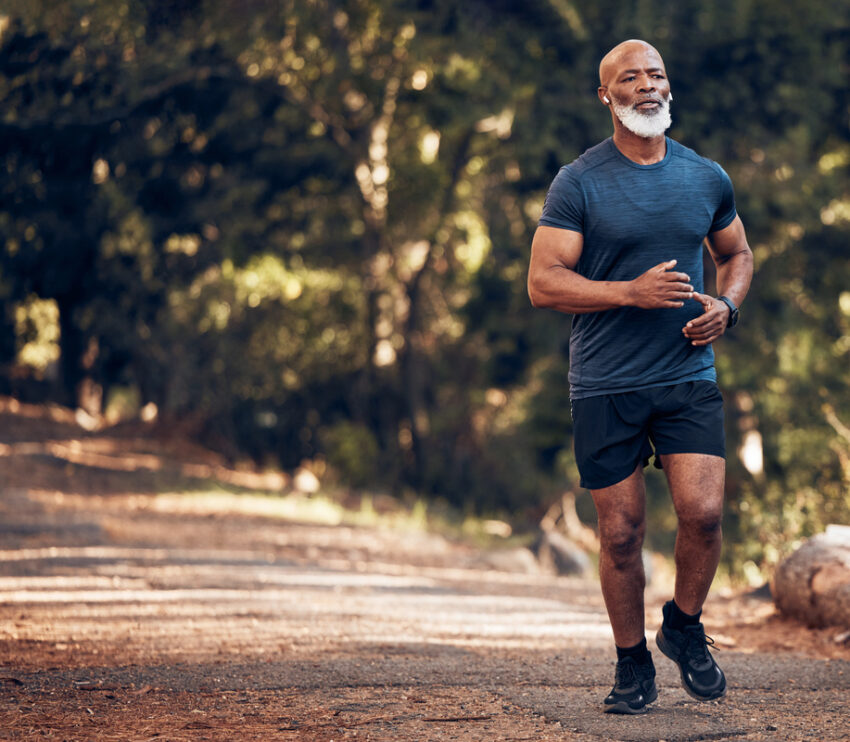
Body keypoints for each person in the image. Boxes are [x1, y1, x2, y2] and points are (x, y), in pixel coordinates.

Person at [527, 39, 753, 714]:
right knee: (622, 532)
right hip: (605, 382)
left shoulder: (705, 176)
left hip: (685, 371)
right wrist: (629, 292)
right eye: (630, 77)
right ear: (607, 95)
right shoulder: (580, 181)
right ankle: (631, 663)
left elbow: (736, 252)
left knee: (704, 514)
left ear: (668, 87)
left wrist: (727, 305)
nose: (647, 85)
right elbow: (543, 282)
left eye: (656, 74)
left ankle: (682, 625)